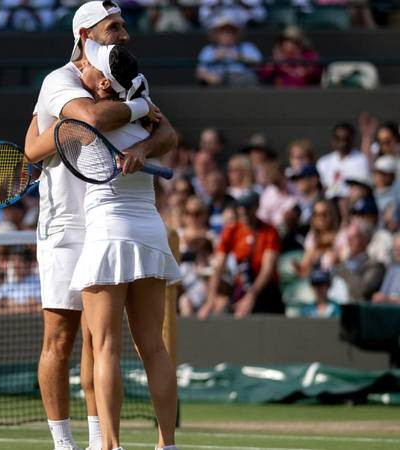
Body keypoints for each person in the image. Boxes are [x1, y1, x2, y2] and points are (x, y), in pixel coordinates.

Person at [22, 2, 179, 449]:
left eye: (125, 25)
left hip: (109, 222)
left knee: (100, 340)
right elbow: (69, 129)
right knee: (62, 336)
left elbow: (168, 133)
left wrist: (144, 146)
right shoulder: (59, 81)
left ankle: (98, 442)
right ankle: (63, 443)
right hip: (66, 223)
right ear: (86, 35)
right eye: (115, 26)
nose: (125, 33)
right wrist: (137, 109)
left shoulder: (129, 79)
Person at [65, 41, 181, 450]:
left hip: (108, 235)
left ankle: (111, 446)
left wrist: (140, 149)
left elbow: (37, 145)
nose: (79, 70)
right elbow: (169, 131)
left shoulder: (89, 113)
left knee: (105, 346)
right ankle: (167, 444)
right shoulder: (144, 112)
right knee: (154, 345)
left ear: (102, 81)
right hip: (150, 231)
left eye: (88, 68)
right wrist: (143, 143)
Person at [200, 191, 283, 319]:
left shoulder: (269, 232)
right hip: (242, 285)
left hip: (265, 288)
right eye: (241, 207)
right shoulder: (232, 230)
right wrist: (210, 300)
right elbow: (219, 266)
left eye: (248, 207)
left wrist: (251, 296)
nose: (243, 211)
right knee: (226, 311)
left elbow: (267, 269)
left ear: (256, 207)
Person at [195, 14, 261, 87]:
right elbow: (200, 73)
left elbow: (259, 65)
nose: (228, 35)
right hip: (219, 85)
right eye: (223, 32)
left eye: (232, 31)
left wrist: (239, 57)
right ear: (216, 34)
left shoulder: (247, 47)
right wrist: (214, 59)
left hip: (244, 83)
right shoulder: (208, 50)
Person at [316, 122, 370, 201]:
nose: (342, 143)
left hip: (351, 203)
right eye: (338, 139)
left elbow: (364, 188)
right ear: (333, 140)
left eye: (346, 139)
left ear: (352, 139)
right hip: (329, 203)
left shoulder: (362, 160)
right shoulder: (323, 162)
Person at [334, 222, 385, 303]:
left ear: (366, 239)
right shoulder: (342, 263)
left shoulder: (376, 266)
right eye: (348, 238)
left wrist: (340, 266)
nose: (349, 242)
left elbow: (361, 291)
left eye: (354, 238)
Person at [373, 234, 400, 305]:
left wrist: (388, 299)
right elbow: (382, 293)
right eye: (396, 249)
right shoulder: (392, 269)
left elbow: (386, 298)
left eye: (399, 249)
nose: (397, 252)